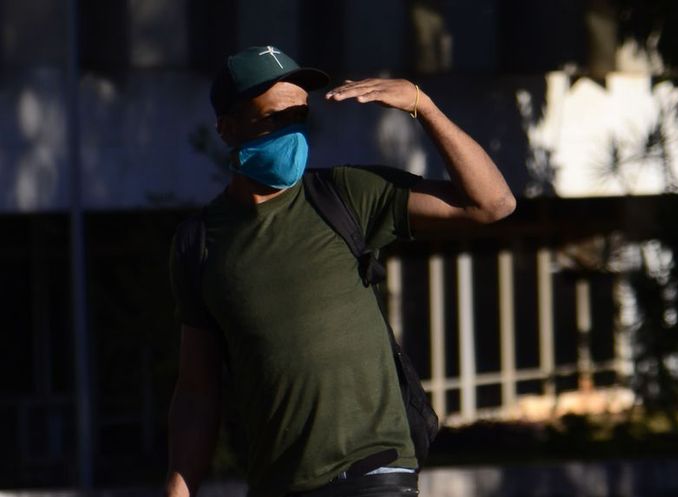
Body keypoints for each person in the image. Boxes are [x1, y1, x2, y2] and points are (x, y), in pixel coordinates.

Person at [165, 46, 515, 497]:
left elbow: (492, 203)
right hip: (280, 485)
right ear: (227, 129)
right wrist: (178, 488)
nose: (292, 131)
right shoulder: (199, 243)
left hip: (374, 473)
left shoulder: (343, 194)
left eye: (299, 116)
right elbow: (196, 390)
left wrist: (423, 106)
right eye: (274, 117)